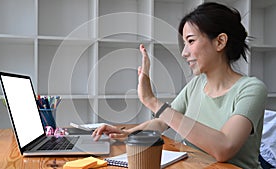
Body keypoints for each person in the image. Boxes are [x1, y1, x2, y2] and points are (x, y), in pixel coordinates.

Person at [92, 2, 267, 169]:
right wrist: (128, 134)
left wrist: (152, 101)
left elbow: (224, 148)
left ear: (220, 42)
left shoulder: (251, 89)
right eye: (184, 44)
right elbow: (162, 122)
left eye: (191, 41)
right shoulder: (197, 84)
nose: (184, 53)